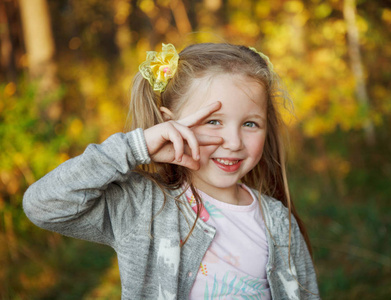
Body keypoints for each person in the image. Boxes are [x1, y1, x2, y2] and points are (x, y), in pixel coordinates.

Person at [23, 43, 320, 299]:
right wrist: (136, 147)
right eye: (213, 121)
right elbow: (43, 205)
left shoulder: (278, 221)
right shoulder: (143, 206)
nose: (233, 142)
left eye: (250, 124)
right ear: (169, 124)